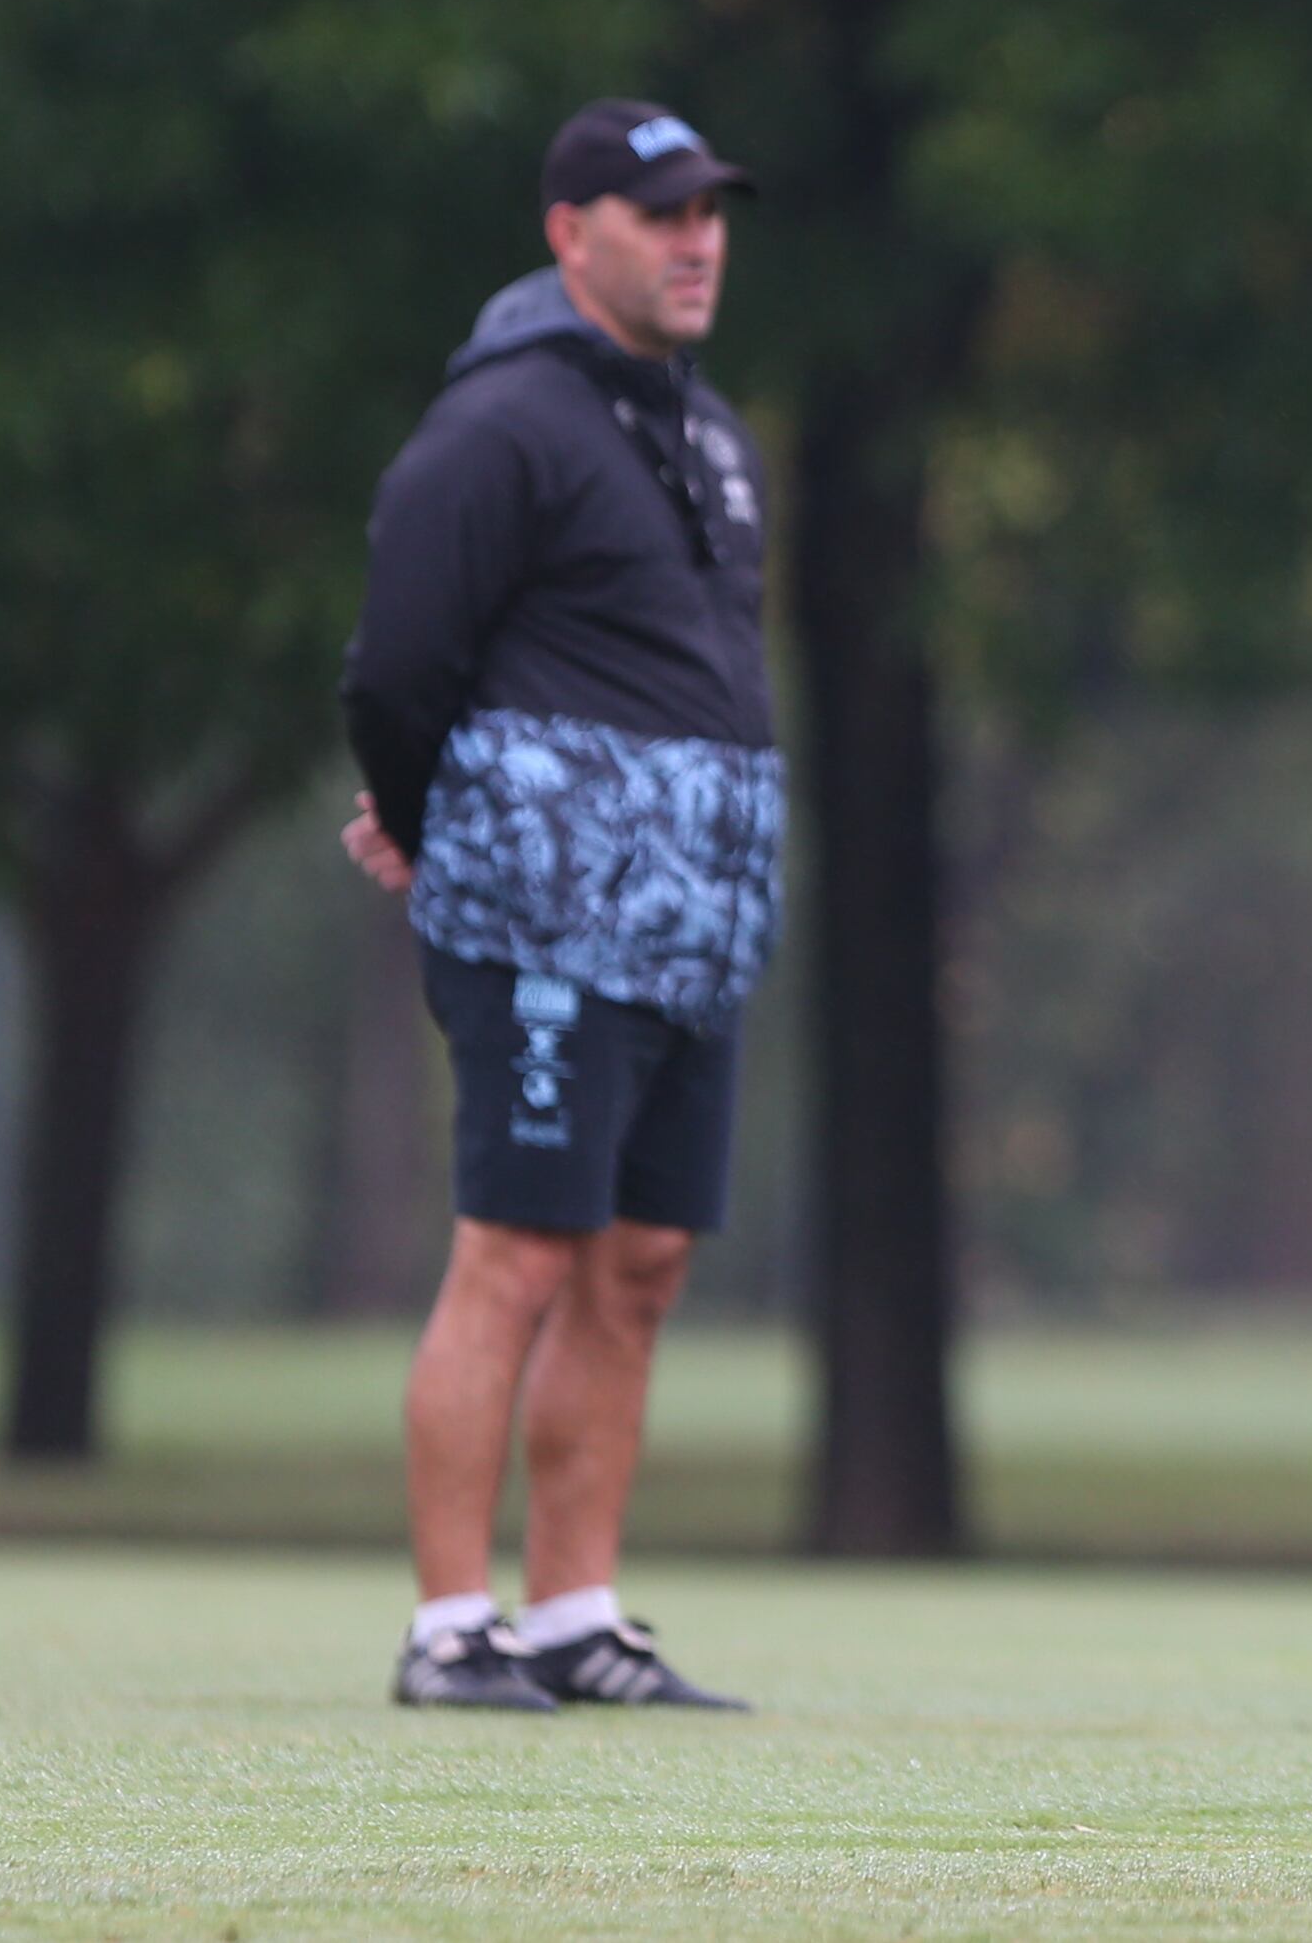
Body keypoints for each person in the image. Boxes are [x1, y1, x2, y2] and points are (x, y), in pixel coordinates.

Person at [338, 99, 783, 1714]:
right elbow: (397, 663)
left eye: (711, 212)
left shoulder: (703, 426)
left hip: (693, 923)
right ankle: (450, 1622)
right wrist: (416, 816)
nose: (697, 239)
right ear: (567, 231)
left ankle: (572, 1612)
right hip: (541, 917)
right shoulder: (500, 422)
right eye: (658, 212)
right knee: (519, 1252)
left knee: (641, 1257)